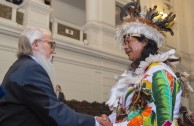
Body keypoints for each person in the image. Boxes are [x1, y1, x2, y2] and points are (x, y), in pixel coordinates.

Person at [97, 1, 183, 126]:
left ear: (145, 41)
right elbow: (127, 113)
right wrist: (110, 119)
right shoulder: (135, 75)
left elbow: (160, 121)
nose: (125, 47)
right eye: (124, 43)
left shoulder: (160, 73)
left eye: (128, 42)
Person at [0, 27, 103, 126]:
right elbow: (55, 113)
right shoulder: (30, 69)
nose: (54, 51)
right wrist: (95, 122)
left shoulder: (21, 66)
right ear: (36, 44)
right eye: (51, 44)